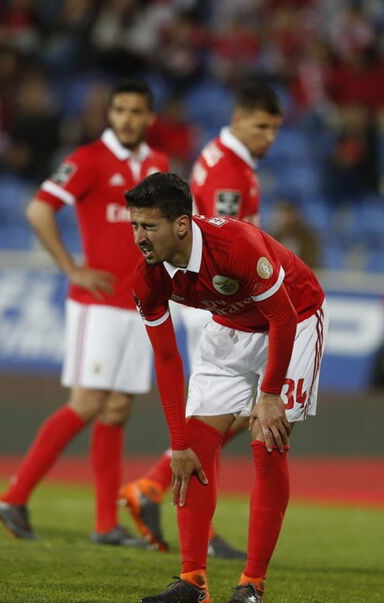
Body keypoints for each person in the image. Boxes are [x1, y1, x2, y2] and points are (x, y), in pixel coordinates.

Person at [126, 172, 326, 603]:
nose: (139, 237)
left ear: (181, 224)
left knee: (267, 441)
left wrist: (269, 395)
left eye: (148, 226)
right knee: (195, 448)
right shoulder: (148, 277)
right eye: (135, 225)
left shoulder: (235, 246)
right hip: (230, 329)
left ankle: (251, 584)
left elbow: (283, 318)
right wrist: (177, 442)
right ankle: (192, 581)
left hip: (294, 320)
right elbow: (165, 359)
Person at [0, 80, 170, 547]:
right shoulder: (89, 159)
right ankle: (14, 496)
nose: (128, 118)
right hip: (98, 305)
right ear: (110, 114)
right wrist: (71, 267)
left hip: (141, 303)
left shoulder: (158, 166)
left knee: (117, 408)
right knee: (88, 402)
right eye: (120, 109)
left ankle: (105, 524)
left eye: (137, 111)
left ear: (150, 118)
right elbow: (39, 209)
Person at [119, 81, 283, 558]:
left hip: (205, 288)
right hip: (216, 294)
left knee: (233, 411)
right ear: (238, 120)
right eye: (261, 126)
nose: (268, 137)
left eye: (275, 128)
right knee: (230, 409)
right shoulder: (230, 172)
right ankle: (168, 498)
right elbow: (234, 237)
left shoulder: (220, 156)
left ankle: (162, 493)